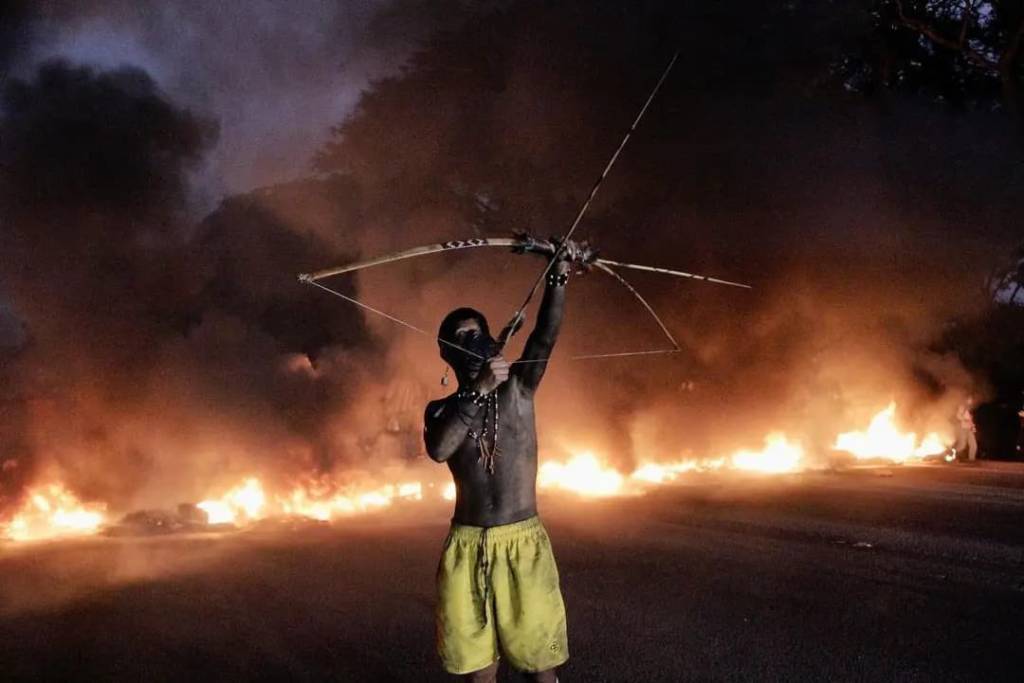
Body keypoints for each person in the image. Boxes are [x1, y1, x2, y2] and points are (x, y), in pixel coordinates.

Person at [424, 243, 581, 683]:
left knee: (539, 667)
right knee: (479, 671)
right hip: (466, 547)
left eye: (477, 334)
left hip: (522, 542)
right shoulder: (440, 410)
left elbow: (544, 336)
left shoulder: (518, 389)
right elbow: (440, 449)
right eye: (459, 338)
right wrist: (476, 389)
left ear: (492, 339)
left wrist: (558, 275)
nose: (470, 342)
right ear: (445, 353)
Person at [954, 396, 978, 462]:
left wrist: (973, 427)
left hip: (969, 429)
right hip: (963, 429)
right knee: (962, 445)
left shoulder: (970, 410)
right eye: (969, 399)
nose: (971, 401)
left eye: (971, 400)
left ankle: (971, 459)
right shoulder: (962, 407)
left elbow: (971, 420)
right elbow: (958, 416)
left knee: (974, 445)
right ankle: (953, 455)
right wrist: (964, 419)